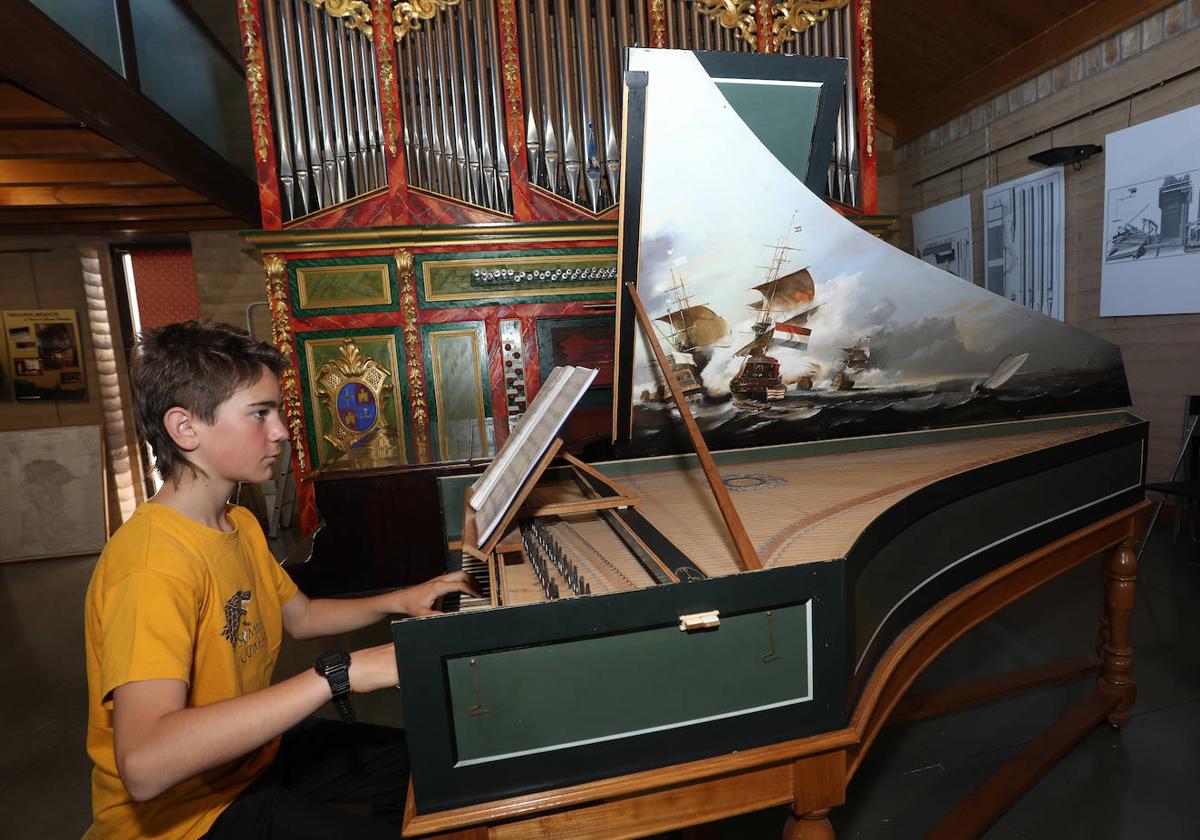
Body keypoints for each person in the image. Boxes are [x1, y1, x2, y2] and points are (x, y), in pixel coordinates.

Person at [83, 321, 478, 839]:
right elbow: (145, 765)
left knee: (438, 763)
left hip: (252, 760)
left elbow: (303, 616)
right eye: (259, 413)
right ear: (185, 429)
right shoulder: (150, 565)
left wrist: (403, 599)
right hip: (185, 819)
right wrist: (338, 675)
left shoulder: (237, 523)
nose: (282, 431)